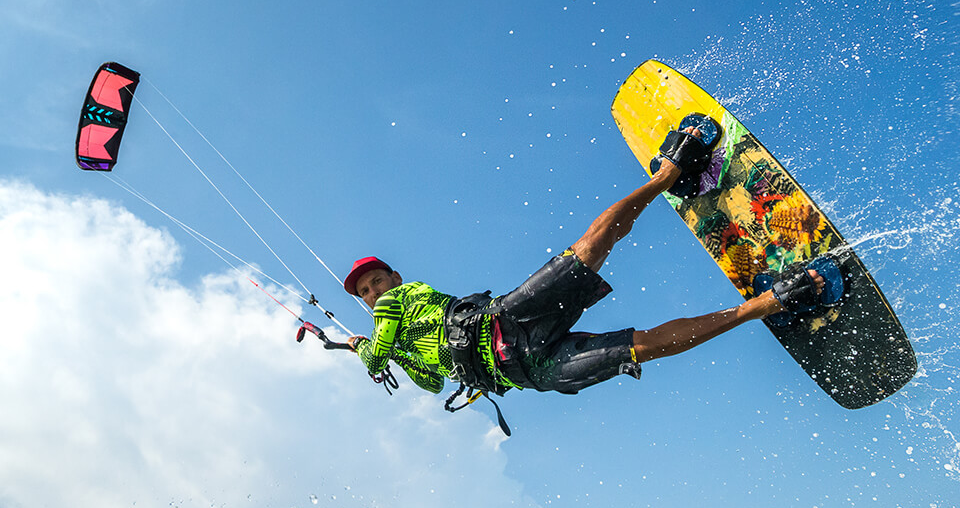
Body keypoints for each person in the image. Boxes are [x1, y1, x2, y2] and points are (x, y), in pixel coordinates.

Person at [344, 124, 833, 402]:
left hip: (506, 321)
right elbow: (430, 382)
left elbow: (380, 344)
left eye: (376, 282)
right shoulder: (394, 335)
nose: (372, 293)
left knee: (590, 247)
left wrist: (363, 348)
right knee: (640, 348)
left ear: (395, 279)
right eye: (365, 292)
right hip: (529, 370)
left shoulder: (399, 302)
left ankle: (670, 173)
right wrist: (393, 356)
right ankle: (771, 302)